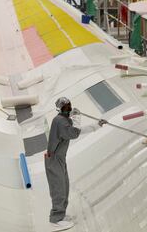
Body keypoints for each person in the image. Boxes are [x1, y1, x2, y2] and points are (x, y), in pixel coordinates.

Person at [45, 97, 106, 231]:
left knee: (64, 187)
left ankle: (60, 215)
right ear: (60, 109)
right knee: (59, 189)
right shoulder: (59, 121)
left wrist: (97, 125)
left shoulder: (64, 120)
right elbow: (74, 133)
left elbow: (76, 129)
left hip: (60, 158)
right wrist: (77, 118)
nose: (69, 109)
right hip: (54, 159)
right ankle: (55, 220)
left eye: (69, 106)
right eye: (66, 107)